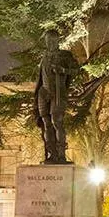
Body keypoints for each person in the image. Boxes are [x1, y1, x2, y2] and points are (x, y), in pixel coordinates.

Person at [33, 30, 78, 163]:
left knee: (57, 122)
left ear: (58, 40)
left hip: (58, 92)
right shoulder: (44, 56)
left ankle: (61, 154)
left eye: (52, 40)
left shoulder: (65, 55)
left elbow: (76, 70)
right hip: (44, 92)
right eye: (48, 41)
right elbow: (40, 76)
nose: (50, 43)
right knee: (46, 123)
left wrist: (63, 70)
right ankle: (52, 154)